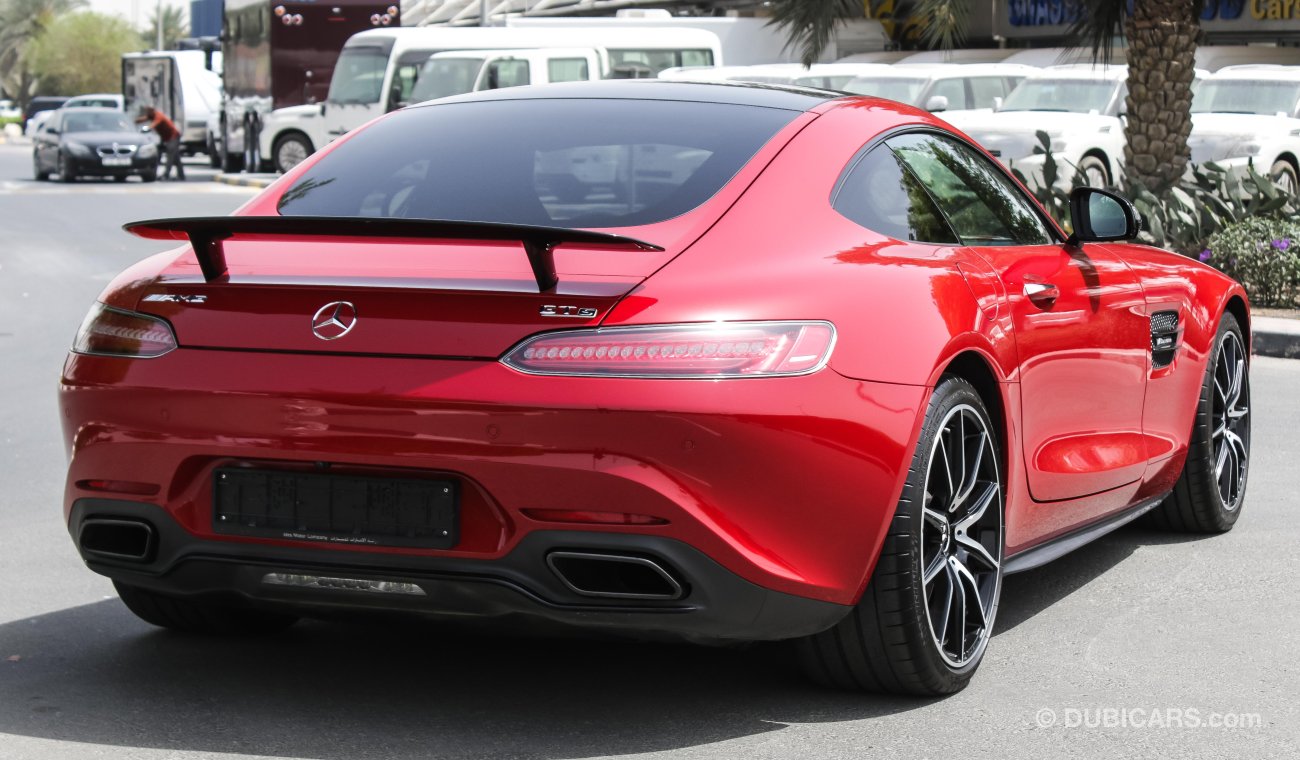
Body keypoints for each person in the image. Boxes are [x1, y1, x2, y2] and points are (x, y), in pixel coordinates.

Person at [135, 106, 184, 181]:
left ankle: (166, 175)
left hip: (173, 137)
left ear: (152, 111)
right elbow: (142, 119)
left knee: (170, 156)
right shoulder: (151, 116)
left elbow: (154, 124)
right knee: (176, 157)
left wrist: (147, 129)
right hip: (166, 138)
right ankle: (181, 175)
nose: (147, 113)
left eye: (148, 111)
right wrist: (133, 121)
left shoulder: (158, 116)